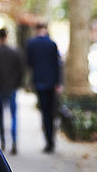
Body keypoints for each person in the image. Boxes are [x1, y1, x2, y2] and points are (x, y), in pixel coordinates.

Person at [0, 28, 24, 155]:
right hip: (11, 88)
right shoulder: (15, 52)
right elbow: (20, 71)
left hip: (0, 88)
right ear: (7, 36)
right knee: (13, 116)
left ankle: (2, 141)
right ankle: (14, 141)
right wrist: (16, 85)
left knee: (1, 116)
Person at [26, 22, 62, 154]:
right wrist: (59, 82)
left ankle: (48, 141)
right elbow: (58, 64)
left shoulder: (31, 44)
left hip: (39, 82)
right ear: (46, 29)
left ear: (36, 29)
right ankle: (52, 139)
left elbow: (29, 63)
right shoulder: (52, 44)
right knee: (52, 112)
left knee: (45, 112)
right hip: (52, 82)